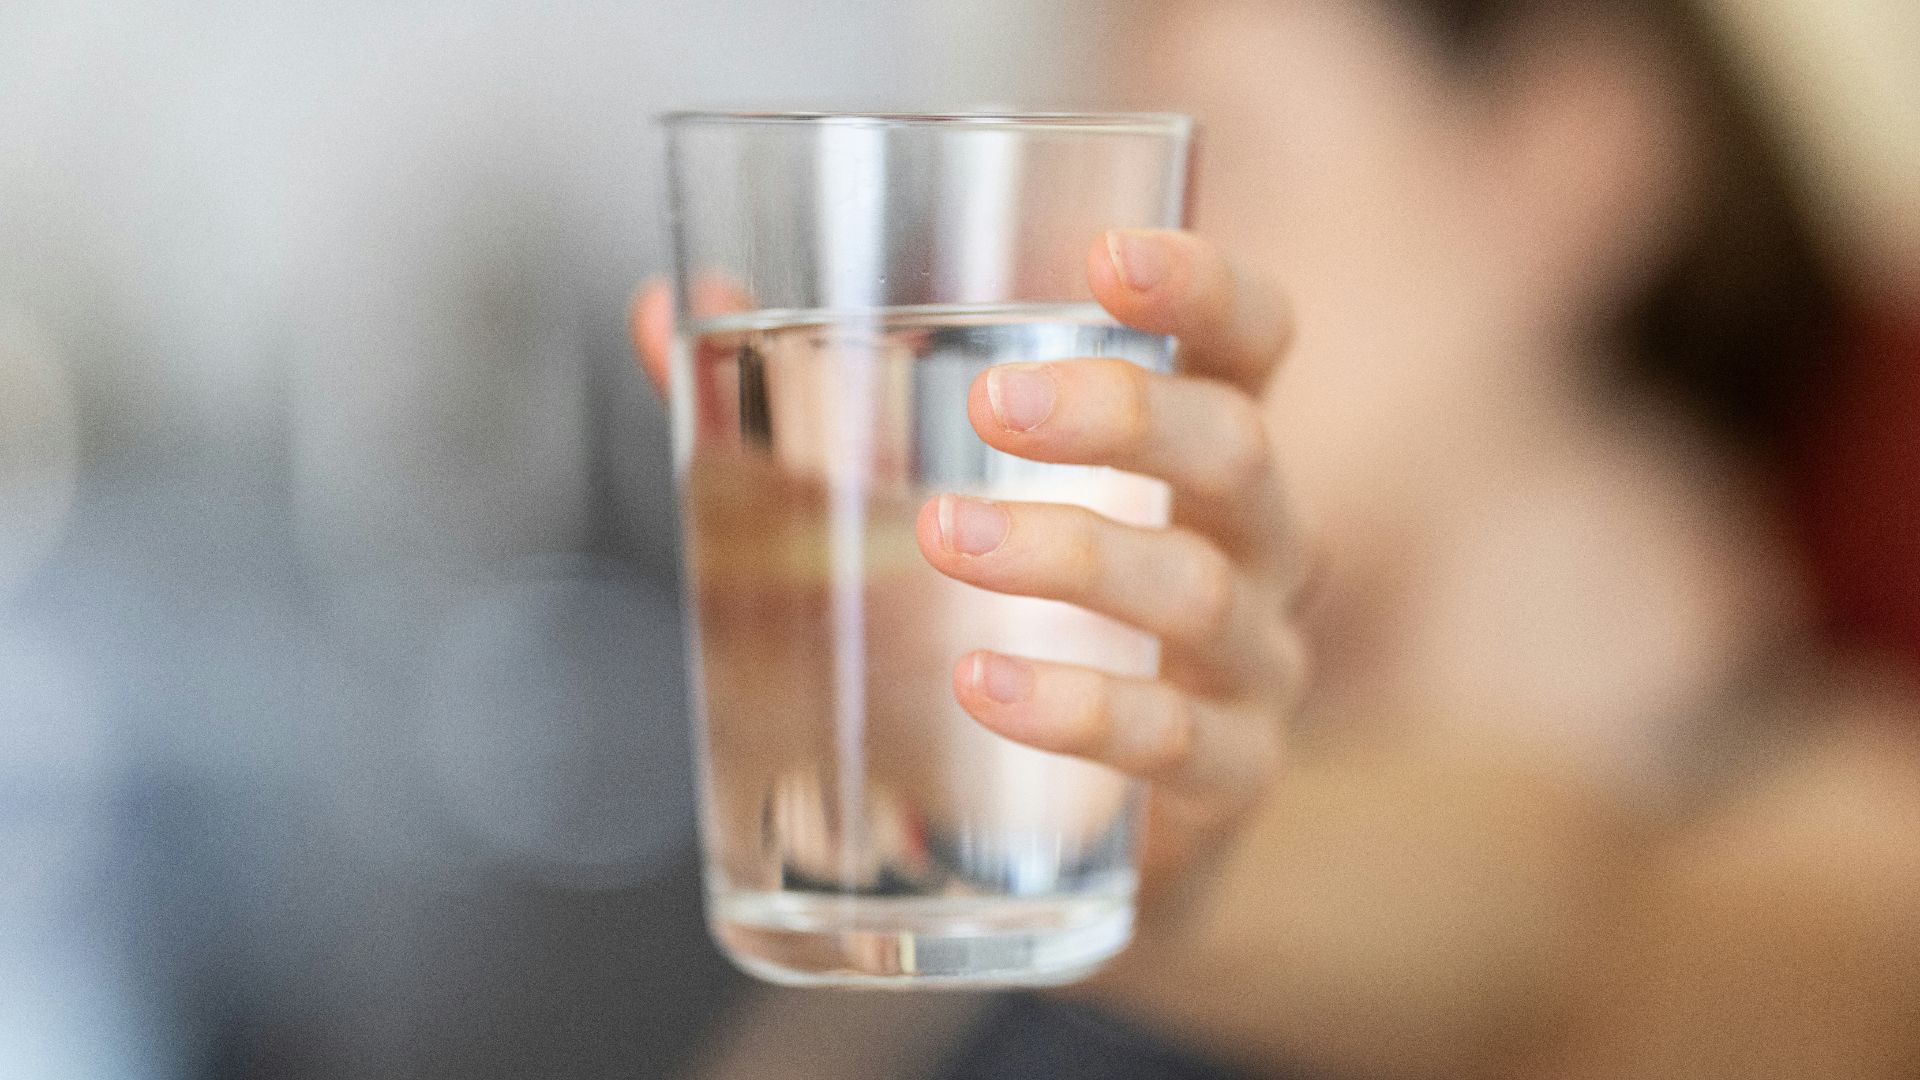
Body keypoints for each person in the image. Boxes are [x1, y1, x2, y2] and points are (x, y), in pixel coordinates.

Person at [632, 1, 1920, 1076]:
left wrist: (1158, 873)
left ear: (1563, 156)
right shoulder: (1072, 772)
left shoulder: (1844, 839)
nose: (1058, 264)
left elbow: (1586, 938)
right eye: (1068, 171)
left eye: (1209, 157)